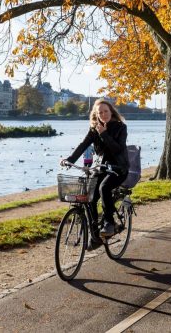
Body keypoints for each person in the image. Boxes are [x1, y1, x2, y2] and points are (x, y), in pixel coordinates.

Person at [60, 98, 128, 238]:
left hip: (119, 168)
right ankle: (95, 235)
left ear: (111, 111)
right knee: (89, 196)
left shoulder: (120, 127)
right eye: (100, 113)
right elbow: (83, 145)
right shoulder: (94, 129)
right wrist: (70, 159)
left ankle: (109, 223)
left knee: (104, 188)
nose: (103, 115)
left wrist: (104, 134)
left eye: (105, 111)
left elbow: (117, 149)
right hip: (102, 167)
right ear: (96, 115)